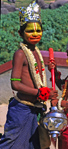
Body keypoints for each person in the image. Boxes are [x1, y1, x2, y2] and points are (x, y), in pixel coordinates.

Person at [0, 1, 58, 149]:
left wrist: (49, 68)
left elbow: (37, 75)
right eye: (30, 31)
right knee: (12, 143)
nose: (35, 34)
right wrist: (40, 92)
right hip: (22, 109)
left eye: (38, 30)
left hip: (37, 108)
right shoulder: (20, 54)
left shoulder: (36, 53)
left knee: (35, 144)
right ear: (21, 33)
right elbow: (15, 84)